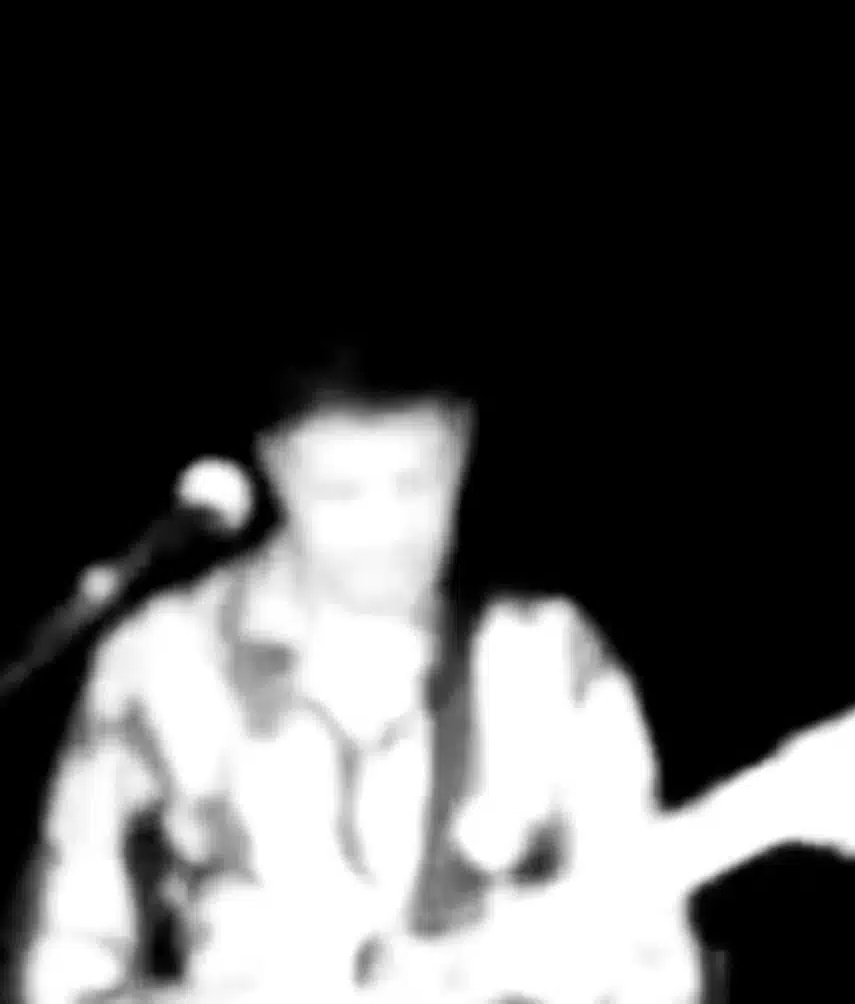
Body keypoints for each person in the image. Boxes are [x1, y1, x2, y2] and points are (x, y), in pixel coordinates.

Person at [16, 340, 705, 1003]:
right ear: (276, 468)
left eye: (415, 484)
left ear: (462, 449)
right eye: (340, 493)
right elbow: (61, 975)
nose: (385, 531)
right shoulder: (159, 661)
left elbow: (663, 972)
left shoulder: (549, 661)